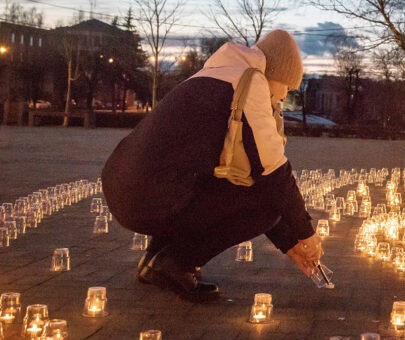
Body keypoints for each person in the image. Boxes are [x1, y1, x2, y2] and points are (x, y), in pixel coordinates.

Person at [100, 30, 323, 302]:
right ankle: (175, 263)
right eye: (287, 87)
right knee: (264, 207)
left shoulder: (216, 75)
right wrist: (305, 233)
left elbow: (249, 177)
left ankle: (155, 262)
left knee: (215, 184)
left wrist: (290, 243)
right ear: (275, 73)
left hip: (125, 187)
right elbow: (272, 171)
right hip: (149, 196)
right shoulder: (250, 82)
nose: (282, 96)